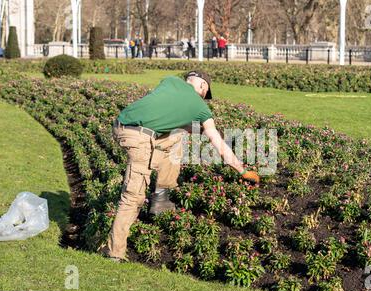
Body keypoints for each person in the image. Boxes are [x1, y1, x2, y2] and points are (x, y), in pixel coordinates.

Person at [104, 71, 260, 262]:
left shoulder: (169, 81)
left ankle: (161, 197)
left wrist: (198, 129)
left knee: (177, 137)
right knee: (133, 196)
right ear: (203, 86)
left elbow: (168, 118)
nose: (204, 98)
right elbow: (218, 144)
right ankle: (115, 254)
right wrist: (242, 170)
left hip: (122, 124)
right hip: (137, 137)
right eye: (205, 94)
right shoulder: (201, 108)